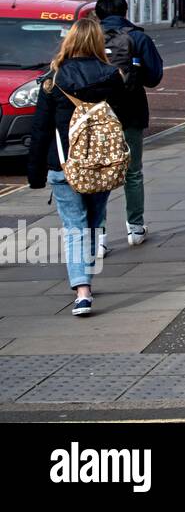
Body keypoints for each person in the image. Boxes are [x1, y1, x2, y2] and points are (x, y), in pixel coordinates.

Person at [27, 18, 127, 316]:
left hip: (64, 165)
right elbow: (121, 120)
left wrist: (35, 174)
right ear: (97, 43)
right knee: (94, 222)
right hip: (101, 165)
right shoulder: (112, 77)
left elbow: (41, 130)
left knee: (74, 227)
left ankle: (82, 290)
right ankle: (88, 279)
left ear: (69, 41)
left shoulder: (53, 79)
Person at [95, 0, 165, 246]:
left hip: (95, 115)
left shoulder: (86, 38)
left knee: (99, 173)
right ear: (125, 12)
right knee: (132, 172)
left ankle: (99, 236)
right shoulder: (138, 38)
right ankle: (135, 229)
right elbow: (155, 77)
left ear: (98, 14)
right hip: (130, 112)